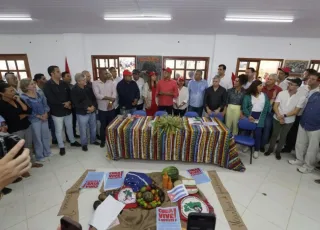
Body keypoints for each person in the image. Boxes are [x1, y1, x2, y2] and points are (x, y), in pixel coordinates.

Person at [0, 82, 42, 172]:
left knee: (29, 146)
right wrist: (22, 114)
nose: (13, 92)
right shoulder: (1, 104)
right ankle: (23, 169)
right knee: (19, 149)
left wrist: (19, 101)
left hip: (26, 125)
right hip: (15, 129)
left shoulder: (17, 99)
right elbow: (11, 118)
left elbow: (29, 111)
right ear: (2, 93)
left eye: (13, 90)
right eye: (10, 91)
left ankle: (31, 162)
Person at [264, 78, 306, 160]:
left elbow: (296, 111)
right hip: (277, 117)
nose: (289, 85)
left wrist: (284, 116)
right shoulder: (282, 93)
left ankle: (278, 152)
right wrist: (279, 115)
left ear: (297, 87)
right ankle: (270, 149)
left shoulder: (301, 97)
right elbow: (275, 106)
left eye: (292, 84)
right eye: (289, 83)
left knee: (283, 136)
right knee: (274, 134)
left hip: (289, 120)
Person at [43, 66, 81, 156]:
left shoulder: (63, 83)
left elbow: (70, 94)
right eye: (58, 71)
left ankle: (72, 141)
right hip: (57, 112)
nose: (60, 73)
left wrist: (69, 102)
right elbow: (51, 98)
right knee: (59, 129)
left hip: (68, 110)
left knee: (70, 126)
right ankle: (61, 146)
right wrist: (64, 104)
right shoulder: (48, 85)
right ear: (52, 74)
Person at [282, 72, 320, 153]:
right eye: (309, 78)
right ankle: (288, 147)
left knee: (307, 139)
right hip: (297, 114)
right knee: (292, 132)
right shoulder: (302, 88)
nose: (310, 80)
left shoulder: (318, 92)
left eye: (313, 79)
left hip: (309, 118)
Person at [20, 79, 52, 161]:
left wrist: (46, 113)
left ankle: (47, 152)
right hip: (34, 120)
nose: (34, 85)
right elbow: (28, 110)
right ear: (25, 87)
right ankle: (39, 156)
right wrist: (39, 116)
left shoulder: (39, 94)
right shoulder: (23, 97)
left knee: (45, 136)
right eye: (31, 84)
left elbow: (45, 105)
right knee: (37, 138)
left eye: (34, 83)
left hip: (44, 117)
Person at [288, 91, 320, 173]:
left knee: (312, 148)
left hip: (316, 127)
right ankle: (299, 160)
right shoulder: (315, 94)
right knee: (300, 143)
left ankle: (308, 166)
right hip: (304, 122)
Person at [71, 73, 100, 152]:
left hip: (92, 111)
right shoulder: (74, 90)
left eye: (85, 79)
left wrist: (93, 107)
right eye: (83, 80)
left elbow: (94, 99)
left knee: (93, 127)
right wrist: (87, 108)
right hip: (82, 113)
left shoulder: (88, 87)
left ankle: (93, 140)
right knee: (83, 129)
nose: (85, 81)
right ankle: (84, 144)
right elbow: (76, 103)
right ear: (78, 81)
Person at [242, 80, 270, 159]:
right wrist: (248, 116)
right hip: (250, 116)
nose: (262, 87)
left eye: (262, 85)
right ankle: (247, 145)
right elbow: (244, 107)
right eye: (260, 85)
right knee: (248, 132)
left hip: (260, 117)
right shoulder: (248, 96)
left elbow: (267, 106)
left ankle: (256, 150)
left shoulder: (264, 95)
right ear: (255, 87)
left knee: (258, 134)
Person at [93, 69, 117, 148]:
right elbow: (98, 95)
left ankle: (111, 140)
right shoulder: (95, 83)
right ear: (100, 74)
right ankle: (103, 141)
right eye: (105, 73)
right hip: (102, 109)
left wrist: (110, 103)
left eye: (107, 73)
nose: (107, 75)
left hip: (111, 109)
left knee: (111, 125)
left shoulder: (111, 82)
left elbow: (114, 94)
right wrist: (109, 98)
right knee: (103, 125)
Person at [260, 74, 282, 152]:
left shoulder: (279, 90)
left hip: (270, 112)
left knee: (267, 128)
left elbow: (279, 103)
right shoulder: (262, 87)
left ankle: (262, 145)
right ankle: (256, 143)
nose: (268, 80)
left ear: (275, 81)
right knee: (258, 128)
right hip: (260, 110)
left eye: (271, 79)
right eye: (268, 79)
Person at [33, 73, 57, 145]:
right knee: (43, 129)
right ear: (38, 80)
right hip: (40, 113)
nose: (46, 80)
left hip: (49, 109)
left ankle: (54, 139)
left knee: (53, 125)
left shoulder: (46, 87)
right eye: (43, 79)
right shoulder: (35, 89)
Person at [62, 71, 79, 138]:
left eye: (70, 76)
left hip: (74, 107)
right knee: (67, 124)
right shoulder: (62, 86)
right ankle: (68, 137)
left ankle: (74, 134)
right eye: (68, 76)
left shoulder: (72, 86)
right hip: (67, 107)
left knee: (73, 122)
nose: (70, 78)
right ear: (63, 78)